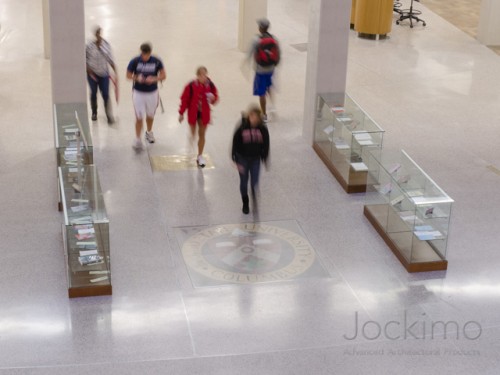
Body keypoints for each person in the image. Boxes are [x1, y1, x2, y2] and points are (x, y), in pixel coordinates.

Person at [126, 42, 166, 150]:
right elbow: (128, 75)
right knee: (139, 117)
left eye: (147, 55)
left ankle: (149, 132)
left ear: (150, 53)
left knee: (150, 115)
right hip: (138, 93)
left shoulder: (156, 61)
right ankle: (138, 139)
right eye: (143, 55)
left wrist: (154, 79)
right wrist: (137, 78)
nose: (145, 57)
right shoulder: (134, 61)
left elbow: (163, 75)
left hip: (152, 93)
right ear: (141, 52)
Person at [231, 105, 270, 214]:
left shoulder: (262, 129)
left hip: (255, 159)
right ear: (249, 116)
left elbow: (266, 144)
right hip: (242, 159)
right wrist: (234, 158)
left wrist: (265, 157)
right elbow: (235, 142)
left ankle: (253, 193)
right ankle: (245, 202)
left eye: (256, 117)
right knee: (244, 182)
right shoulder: (242, 127)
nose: (254, 119)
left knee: (254, 181)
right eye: (252, 116)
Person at [178, 66, 219, 167]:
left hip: (204, 113)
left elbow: (215, 98)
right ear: (197, 76)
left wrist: (213, 98)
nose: (203, 77)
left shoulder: (211, 85)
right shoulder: (191, 85)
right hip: (193, 113)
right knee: (193, 132)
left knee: (202, 134)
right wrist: (181, 113)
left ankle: (200, 155)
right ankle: (191, 139)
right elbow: (185, 100)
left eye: (205, 74)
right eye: (201, 75)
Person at [248, 18, 280, 123]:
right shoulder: (274, 39)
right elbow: (278, 55)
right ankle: (272, 105)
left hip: (260, 71)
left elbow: (250, 53)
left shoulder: (256, 40)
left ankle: (264, 114)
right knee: (269, 86)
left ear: (260, 28)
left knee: (261, 93)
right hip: (271, 69)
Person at [86, 26, 117, 124]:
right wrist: (87, 68)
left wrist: (115, 70)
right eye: (97, 33)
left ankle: (109, 115)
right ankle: (94, 112)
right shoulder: (89, 46)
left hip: (104, 74)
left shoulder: (106, 45)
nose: (99, 35)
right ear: (95, 34)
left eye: (100, 33)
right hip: (92, 75)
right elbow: (84, 58)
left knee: (106, 94)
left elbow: (110, 58)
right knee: (93, 93)